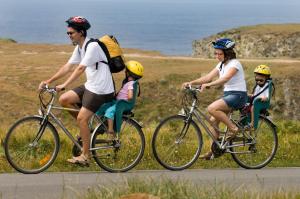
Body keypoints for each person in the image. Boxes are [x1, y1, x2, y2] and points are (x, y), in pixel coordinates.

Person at [38, 16, 115, 165]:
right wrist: (49, 81)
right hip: (91, 85)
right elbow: (68, 66)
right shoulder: (80, 47)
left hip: (101, 89)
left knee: (81, 118)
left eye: (71, 33)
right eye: (68, 33)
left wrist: (64, 84)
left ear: (81, 32)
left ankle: (86, 156)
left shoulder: (92, 46)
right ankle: (89, 130)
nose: (68, 36)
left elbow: (80, 68)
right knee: (64, 99)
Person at [182, 38, 247, 160]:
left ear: (227, 53)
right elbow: (208, 77)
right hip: (229, 95)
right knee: (213, 121)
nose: (217, 56)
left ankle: (233, 129)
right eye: (215, 53)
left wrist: (209, 85)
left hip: (238, 95)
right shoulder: (221, 64)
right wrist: (191, 82)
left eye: (219, 53)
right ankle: (214, 151)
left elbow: (225, 79)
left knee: (212, 108)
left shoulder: (235, 64)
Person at [99, 60, 144, 140]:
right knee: (102, 108)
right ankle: (103, 126)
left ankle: (110, 131)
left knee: (109, 111)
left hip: (121, 103)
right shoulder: (128, 83)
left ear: (129, 73)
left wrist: (127, 97)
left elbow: (130, 95)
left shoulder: (130, 84)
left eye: (126, 71)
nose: (125, 72)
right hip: (117, 102)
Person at [248, 64, 271, 129]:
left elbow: (267, 96)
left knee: (253, 107)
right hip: (255, 101)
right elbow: (255, 94)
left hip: (260, 103)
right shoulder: (257, 86)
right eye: (257, 79)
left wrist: (265, 98)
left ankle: (252, 123)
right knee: (243, 104)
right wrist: (250, 95)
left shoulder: (266, 86)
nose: (258, 81)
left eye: (261, 80)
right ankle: (242, 121)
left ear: (266, 78)